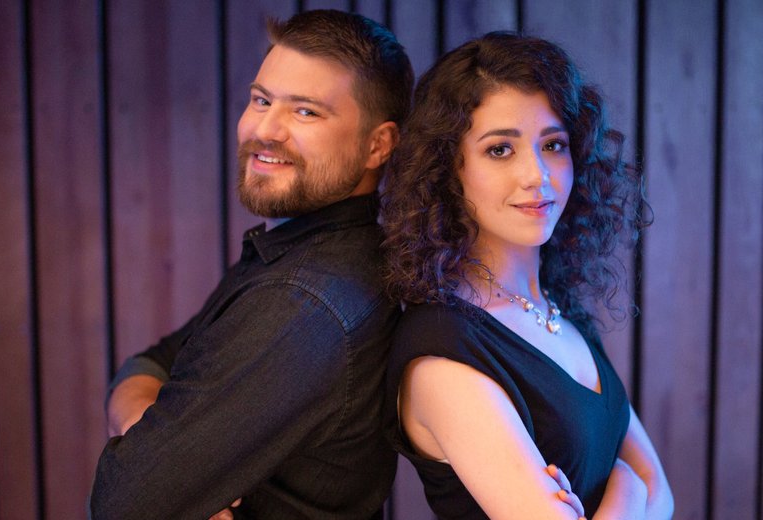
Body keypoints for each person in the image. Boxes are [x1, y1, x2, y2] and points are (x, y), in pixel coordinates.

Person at [89, 10, 414, 519]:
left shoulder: (302, 301)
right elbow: (154, 360)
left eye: (305, 112)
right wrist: (145, 433)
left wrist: (153, 457)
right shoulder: (297, 257)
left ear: (378, 145)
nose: (264, 130)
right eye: (261, 100)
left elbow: (122, 504)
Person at [381, 32, 674, 519]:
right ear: (448, 169)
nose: (537, 175)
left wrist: (635, 486)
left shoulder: (559, 308)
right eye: (500, 149)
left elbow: (661, 492)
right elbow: (644, 486)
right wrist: (629, 487)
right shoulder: (443, 351)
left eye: (553, 145)